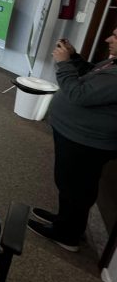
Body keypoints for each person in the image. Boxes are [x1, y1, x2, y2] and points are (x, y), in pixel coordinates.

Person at [27, 31, 117, 252]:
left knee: (75, 186)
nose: (108, 39)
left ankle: (67, 235)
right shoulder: (113, 62)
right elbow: (91, 75)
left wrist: (64, 64)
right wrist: (74, 58)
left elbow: (80, 94)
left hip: (87, 141)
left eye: (116, 36)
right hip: (78, 135)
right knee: (73, 184)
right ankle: (66, 222)